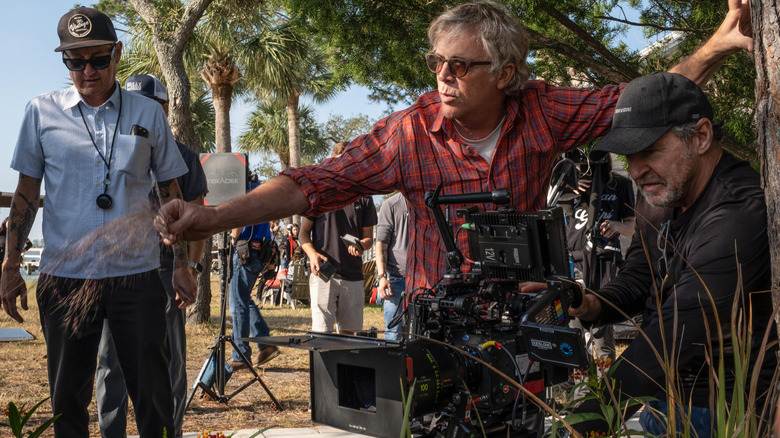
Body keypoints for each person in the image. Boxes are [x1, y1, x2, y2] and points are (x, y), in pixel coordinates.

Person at [155, 2, 751, 296]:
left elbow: (642, 103)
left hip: (523, 319)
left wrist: (719, 47)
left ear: (506, 73)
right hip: (432, 326)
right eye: (437, 61)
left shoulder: (543, 109)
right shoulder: (406, 132)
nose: (443, 75)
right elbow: (313, 181)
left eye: (460, 65)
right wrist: (213, 216)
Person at [0, 7, 196, 437]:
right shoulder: (40, 112)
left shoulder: (148, 114)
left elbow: (172, 195)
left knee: (153, 396)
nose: (86, 70)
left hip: (137, 276)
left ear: (117, 53)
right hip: (65, 277)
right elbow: (26, 195)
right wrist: (11, 265)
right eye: (74, 61)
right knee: (66, 399)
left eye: (98, 59)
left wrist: (181, 264)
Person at [566, 72, 777, 436]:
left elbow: (676, 334)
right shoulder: (664, 192)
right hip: (662, 398)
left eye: (649, 150)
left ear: (701, 136)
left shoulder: (739, 213)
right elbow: (638, 275)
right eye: (628, 156)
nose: (635, 170)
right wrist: (592, 304)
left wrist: (586, 422)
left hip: (725, 411)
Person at [95, 74, 208, 438]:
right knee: (109, 363)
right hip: (117, 272)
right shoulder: (109, 150)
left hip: (165, 274)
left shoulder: (186, 156)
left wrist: (188, 267)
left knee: (168, 362)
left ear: (164, 109)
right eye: (135, 100)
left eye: (152, 103)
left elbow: (197, 218)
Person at [554, 151, 635, 363]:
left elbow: (633, 226)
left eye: (586, 167)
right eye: (578, 167)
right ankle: (581, 386)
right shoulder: (563, 190)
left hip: (605, 262)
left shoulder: (620, 185)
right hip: (574, 263)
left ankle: (606, 387)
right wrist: (567, 186)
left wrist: (617, 226)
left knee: (601, 327)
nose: (583, 172)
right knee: (575, 329)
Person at [299, 143, 377, 334]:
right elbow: (303, 233)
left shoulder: (364, 197)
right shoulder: (319, 193)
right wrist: (312, 255)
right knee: (322, 334)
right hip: (323, 273)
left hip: (353, 276)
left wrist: (361, 245)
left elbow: (369, 238)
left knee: (349, 338)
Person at [229, 176, 280, 370]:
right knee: (242, 299)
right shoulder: (262, 188)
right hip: (260, 250)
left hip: (246, 250)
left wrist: (234, 237)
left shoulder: (242, 186)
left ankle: (240, 352)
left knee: (239, 302)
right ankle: (264, 343)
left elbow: (240, 214)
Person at [375, 192, 409, 341]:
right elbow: (381, 243)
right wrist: (382, 277)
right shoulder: (391, 204)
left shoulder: (426, 202)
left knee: (422, 334)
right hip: (396, 280)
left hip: (425, 281)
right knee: (394, 335)